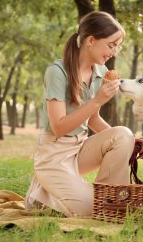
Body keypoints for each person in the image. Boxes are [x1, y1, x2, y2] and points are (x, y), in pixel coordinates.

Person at [25, 11, 135, 218]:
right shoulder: (57, 72)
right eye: (111, 45)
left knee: (125, 134)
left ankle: (110, 196)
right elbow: (58, 126)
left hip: (80, 148)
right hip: (53, 153)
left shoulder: (100, 73)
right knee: (88, 209)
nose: (115, 52)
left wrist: (129, 144)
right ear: (91, 41)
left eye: (117, 46)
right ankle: (41, 190)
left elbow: (92, 119)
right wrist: (97, 100)